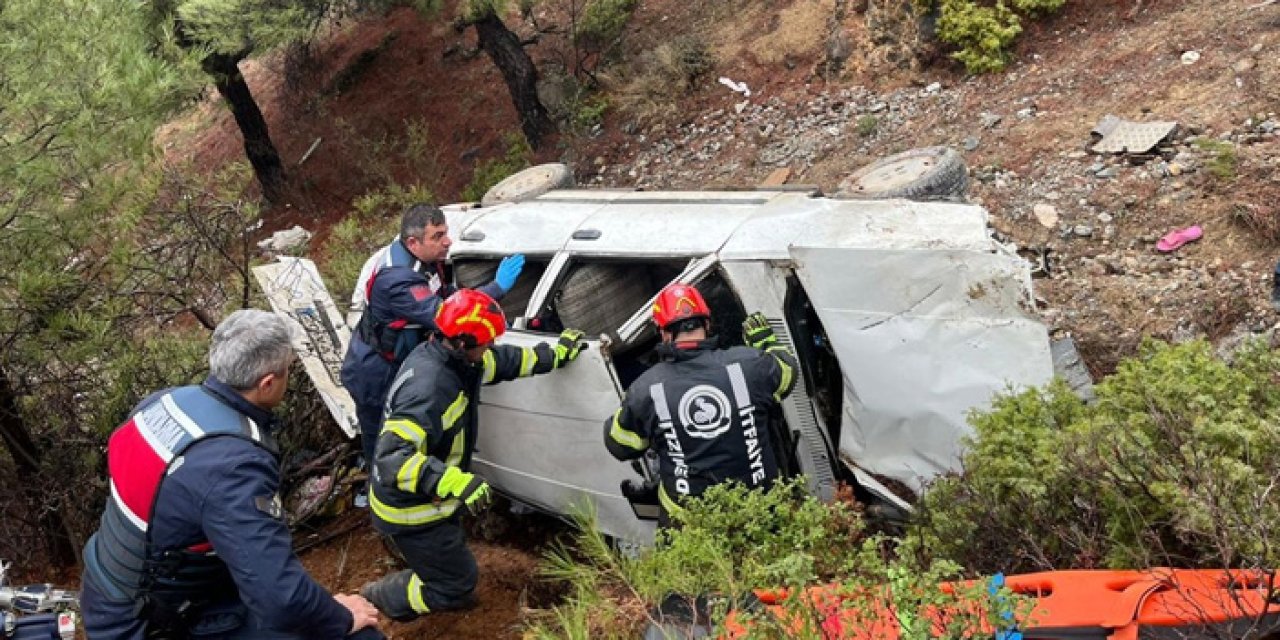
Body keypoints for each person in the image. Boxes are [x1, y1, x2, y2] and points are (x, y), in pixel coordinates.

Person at [79, 309, 383, 639]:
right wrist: (337, 617)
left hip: (110, 589)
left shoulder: (164, 403)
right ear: (267, 383)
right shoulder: (233, 466)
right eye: (288, 371)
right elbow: (281, 597)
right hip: (152, 619)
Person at [359, 289, 586, 621]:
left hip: (429, 499)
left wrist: (557, 354)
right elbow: (392, 458)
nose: (490, 346)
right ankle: (383, 598)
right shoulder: (431, 387)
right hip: (411, 510)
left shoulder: (454, 359)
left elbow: (507, 361)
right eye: (486, 341)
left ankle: (431, 576)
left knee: (452, 565)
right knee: (456, 584)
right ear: (464, 343)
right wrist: (455, 482)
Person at [340, 203, 524, 504]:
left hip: (397, 359)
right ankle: (385, 501)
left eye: (446, 233)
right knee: (385, 442)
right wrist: (496, 288)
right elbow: (447, 315)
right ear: (413, 242)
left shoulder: (420, 258)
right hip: (376, 373)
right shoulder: (397, 278)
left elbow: (447, 292)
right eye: (438, 236)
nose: (447, 242)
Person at [603, 283, 799, 527]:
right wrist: (766, 343)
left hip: (689, 522)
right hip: (760, 512)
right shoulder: (750, 365)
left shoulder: (646, 390)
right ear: (707, 324)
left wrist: (634, 412)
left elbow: (620, 445)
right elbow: (788, 371)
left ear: (663, 332)